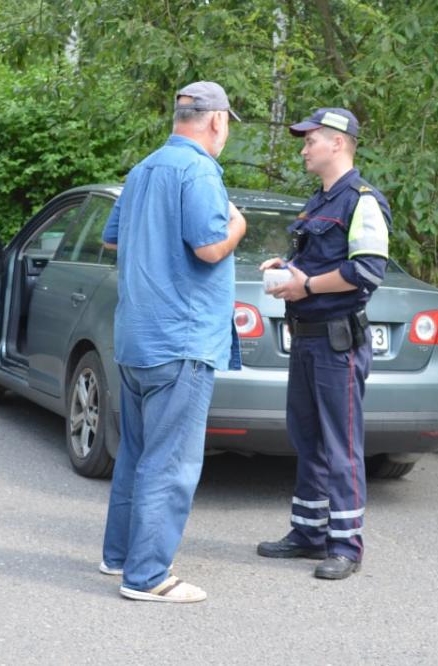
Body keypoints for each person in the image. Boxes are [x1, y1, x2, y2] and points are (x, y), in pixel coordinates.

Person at [99, 81, 246, 603]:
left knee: (138, 454)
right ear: (216, 121)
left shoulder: (144, 169)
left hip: (137, 336)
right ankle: (147, 576)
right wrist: (239, 228)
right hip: (182, 340)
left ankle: (118, 556)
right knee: (172, 463)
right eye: (227, 123)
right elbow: (209, 248)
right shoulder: (199, 170)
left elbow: (111, 237)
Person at [255, 107, 391, 580]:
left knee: (341, 444)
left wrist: (306, 286)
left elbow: (366, 271)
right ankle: (309, 533)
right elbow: (315, 261)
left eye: (310, 139)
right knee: (308, 437)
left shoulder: (362, 201)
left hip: (337, 342)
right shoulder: (318, 201)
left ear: (337, 142)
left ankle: (345, 546)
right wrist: (287, 268)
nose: (304, 147)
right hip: (308, 340)